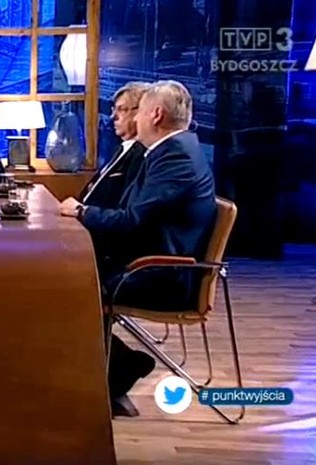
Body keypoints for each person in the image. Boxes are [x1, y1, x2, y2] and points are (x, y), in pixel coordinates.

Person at [60, 80, 217, 416]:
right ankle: (114, 369)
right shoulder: (169, 149)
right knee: (65, 275)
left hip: (160, 274)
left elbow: (132, 219)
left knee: (70, 286)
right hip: (147, 260)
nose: (133, 120)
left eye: (139, 111)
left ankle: (113, 374)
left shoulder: (175, 156)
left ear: (155, 115)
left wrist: (82, 212)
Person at [79, 82, 149, 208]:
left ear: (140, 112)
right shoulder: (119, 149)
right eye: (113, 109)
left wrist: (80, 211)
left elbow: (124, 207)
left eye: (121, 109)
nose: (113, 116)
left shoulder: (141, 155)